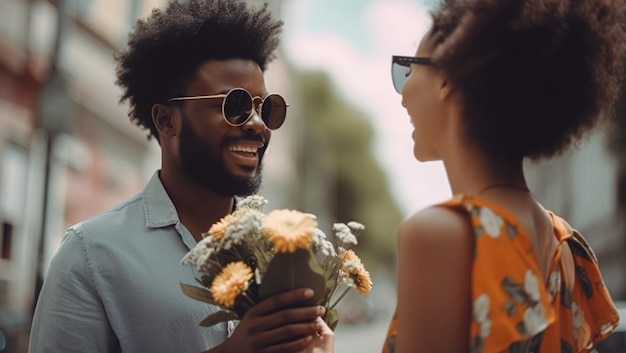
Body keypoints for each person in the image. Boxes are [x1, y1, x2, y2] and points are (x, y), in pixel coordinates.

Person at [28, 0, 332, 352]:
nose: (257, 124)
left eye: (267, 108)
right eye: (234, 105)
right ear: (166, 120)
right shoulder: (91, 255)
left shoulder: (283, 253)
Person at [381, 0, 626, 352]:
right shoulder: (570, 248)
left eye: (407, 70)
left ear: (447, 76)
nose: (403, 94)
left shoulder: (440, 235)